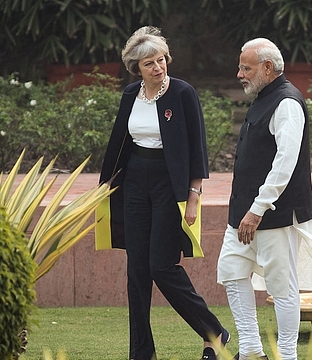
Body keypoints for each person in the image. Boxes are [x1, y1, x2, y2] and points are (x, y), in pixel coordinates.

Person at [96, 26, 229, 360]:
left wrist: (195, 194)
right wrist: (104, 189)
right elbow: (119, 144)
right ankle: (141, 352)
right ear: (136, 68)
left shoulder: (183, 93)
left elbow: (197, 146)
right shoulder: (130, 95)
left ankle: (214, 331)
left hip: (168, 183)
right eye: (149, 64)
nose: (158, 68)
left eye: (160, 60)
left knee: (162, 266)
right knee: (136, 271)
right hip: (134, 181)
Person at [216, 38, 312, 360]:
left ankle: (286, 355)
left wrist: (257, 211)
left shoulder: (287, 102)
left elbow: (286, 163)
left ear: (267, 68)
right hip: (243, 212)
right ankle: (252, 351)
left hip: (276, 214)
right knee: (231, 272)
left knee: (282, 288)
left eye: (246, 67)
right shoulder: (263, 98)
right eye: (240, 67)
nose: (239, 74)